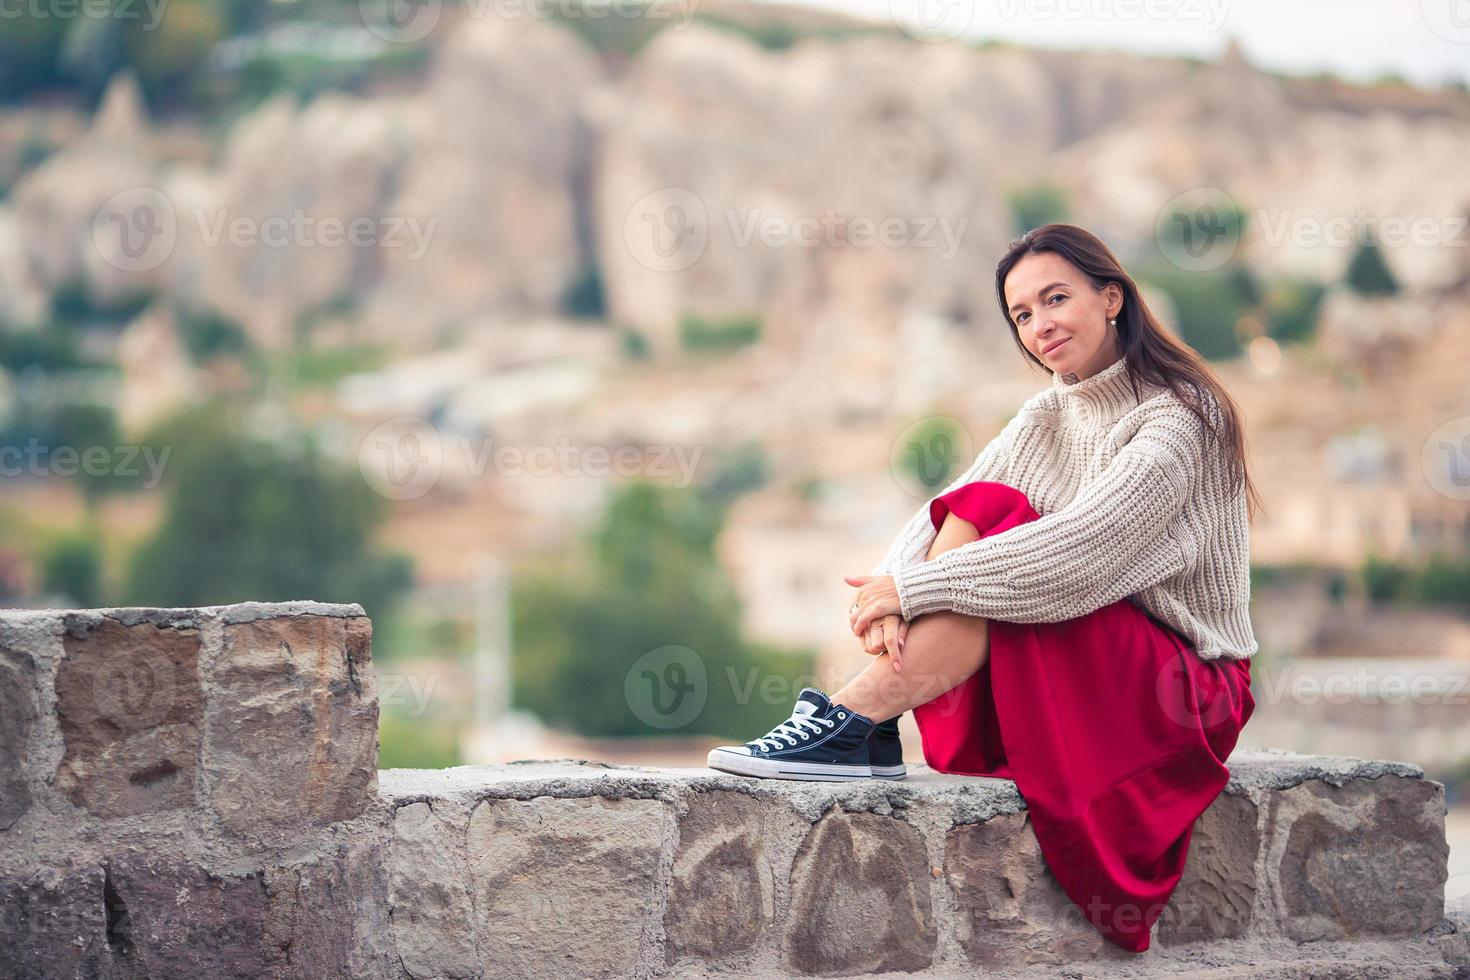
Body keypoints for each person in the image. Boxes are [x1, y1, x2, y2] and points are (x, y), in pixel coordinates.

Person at [705, 223, 1262, 953]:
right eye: (1023, 314)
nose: (1041, 326)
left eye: (1056, 299)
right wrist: (892, 587)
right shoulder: (1051, 413)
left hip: (1187, 688)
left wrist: (914, 590)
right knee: (991, 506)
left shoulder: (1181, 417)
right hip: (1098, 652)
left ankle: (854, 718)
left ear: (1112, 297)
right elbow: (957, 501)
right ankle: (861, 723)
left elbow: (1079, 557)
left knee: (1014, 552)